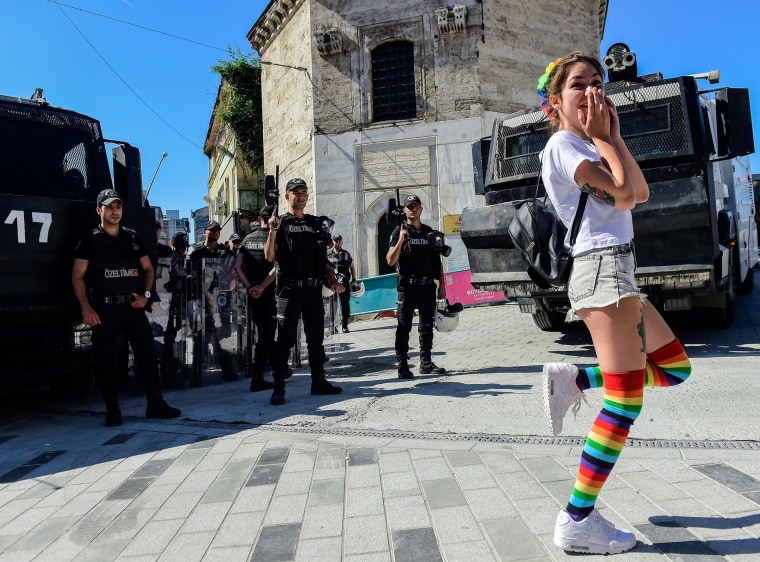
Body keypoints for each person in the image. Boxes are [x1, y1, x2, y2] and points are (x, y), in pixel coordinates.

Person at [536, 52, 692, 554]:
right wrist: (604, 138)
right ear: (555, 102)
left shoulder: (591, 144)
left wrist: (614, 137)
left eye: (598, 82)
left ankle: (577, 379)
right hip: (602, 269)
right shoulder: (563, 144)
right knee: (625, 402)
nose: (592, 90)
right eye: (578, 84)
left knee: (673, 368)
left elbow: (638, 192)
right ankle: (577, 519)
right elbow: (623, 197)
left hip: (619, 270)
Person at [71, 189, 182, 427]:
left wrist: (147, 296)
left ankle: (156, 404)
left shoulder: (132, 237)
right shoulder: (90, 239)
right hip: (104, 311)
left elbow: (149, 269)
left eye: (118, 206)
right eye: (109, 206)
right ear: (99, 210)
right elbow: (77, 276)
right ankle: (112, 409)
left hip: (133, 309)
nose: (114, 211)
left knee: (149, 357)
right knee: (106, 361)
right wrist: (86, 308)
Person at [264, 177, 344, 405]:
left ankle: (319, 382)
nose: (300, 196)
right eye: (295, 192)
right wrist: (271, 230)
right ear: (287, 196)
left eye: (304, 192)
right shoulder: (281, 223)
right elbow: (270, 256)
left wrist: (333, 281)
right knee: (286, 340)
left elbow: (324, 259)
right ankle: (278, 388)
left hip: (313, 290)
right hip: (289, 291)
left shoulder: (314, 223)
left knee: (316, 339)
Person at [386, 195, 447, 379]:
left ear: (421, 209)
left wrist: (442, 285)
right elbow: (390, 260)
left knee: (427, 326)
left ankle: (426, 363)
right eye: (409, 206)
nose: (413, 209)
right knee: (404, 327)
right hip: (407, 287)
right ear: (404, 210)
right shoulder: (399, 232)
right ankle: (403, 365)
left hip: (427, 287)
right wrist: (401, 241)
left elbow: (438, 261)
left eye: (416, 206)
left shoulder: (429, 232)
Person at [187, 220, 236, 384]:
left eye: (217, 230)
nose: (215, 232)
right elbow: (190, 274)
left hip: (222, 300)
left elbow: (232, 272)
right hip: (202, 300)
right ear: (204, 232)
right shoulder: (196, 252)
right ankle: (198, 374)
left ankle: (228, 370)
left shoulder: (225, 252)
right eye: (212, 230)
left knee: (223, 336)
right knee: (200, 337)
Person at [235, 206, 277, 392]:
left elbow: (237, 267)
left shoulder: (247, 239)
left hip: (254, 294)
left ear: (259, 218)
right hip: (270, 293)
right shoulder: (275, 237)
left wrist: (250, 287)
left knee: (265, 334)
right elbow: (277, 267)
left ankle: (275, 370)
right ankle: (258, 377)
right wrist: (262, 286)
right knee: (268, 336)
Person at [159, 231, 191, 389]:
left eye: (184, 247)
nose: (182, 250)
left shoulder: (180, 258)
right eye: (180, 247)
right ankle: (169, 375)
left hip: (178, 302)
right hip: (169, 303)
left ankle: (174, 371)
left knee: (176, 338)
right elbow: (173, 279)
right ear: (173, 244)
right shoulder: (170, 258)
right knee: (170, 341)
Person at [327, 234, 357, 333]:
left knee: (345, 305)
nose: (337, 242)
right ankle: (332, 327)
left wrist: (354, 279)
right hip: (332, 284)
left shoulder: (346, 254)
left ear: (342, 241)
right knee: (332, 305)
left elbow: (352, 267)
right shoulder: (328, 254)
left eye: (339, 240)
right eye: (335, 240)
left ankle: (344, 325)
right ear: (333, 241)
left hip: (344, 283)